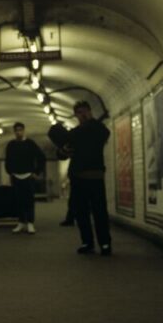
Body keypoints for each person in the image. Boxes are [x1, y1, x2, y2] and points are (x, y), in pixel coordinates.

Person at [60, 101, 113, 256]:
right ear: (75, 115)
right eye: (79, 112)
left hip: (95, 176)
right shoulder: (75, 132)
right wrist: (64, 150)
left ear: (90, 112)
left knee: (99, 212)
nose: (83, 115)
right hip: (78, 177)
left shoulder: (98, 129)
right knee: (81, 212)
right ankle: (87, 242)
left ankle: (104, 243)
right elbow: (62, 152)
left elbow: (105, 133)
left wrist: (92, 121)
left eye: (85, 111)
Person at [4, 122, 46, 234]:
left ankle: (30, 223)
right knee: (18, 201)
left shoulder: (30, 143)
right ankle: (21, 222)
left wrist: (37, 172)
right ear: (14, 132)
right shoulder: (11, 145)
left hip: (28, 176)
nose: (18, 132)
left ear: (24, 131)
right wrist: (9, 171)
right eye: (16, 130)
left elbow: (41, 157)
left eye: (20, 130)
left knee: (29, 200)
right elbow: (7, 159)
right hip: (16, 176)